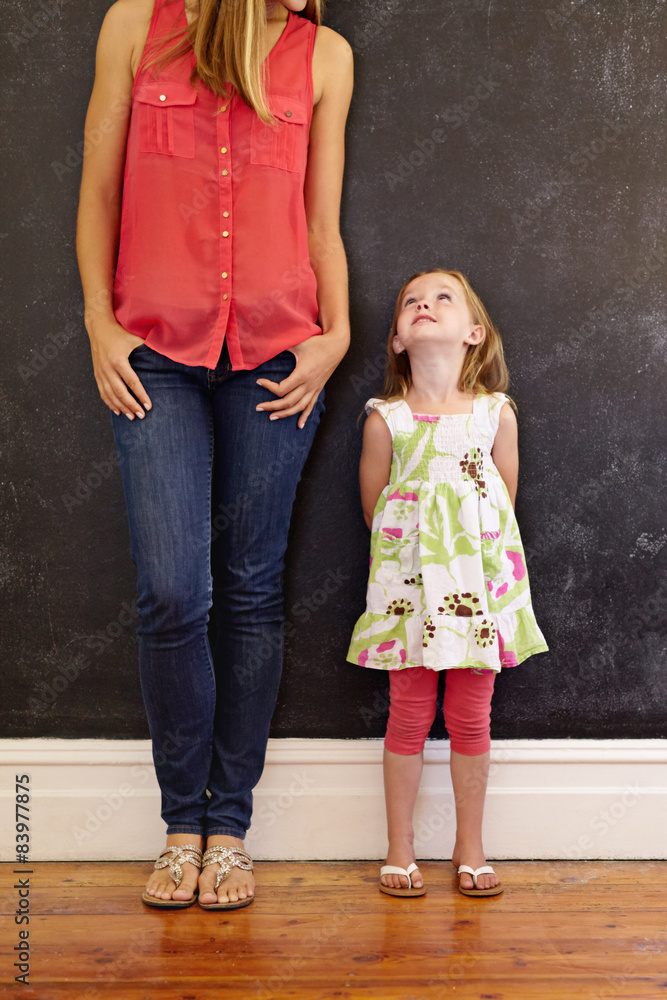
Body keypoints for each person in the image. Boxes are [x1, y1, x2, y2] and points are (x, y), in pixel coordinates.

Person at [76, 0, 353, 910]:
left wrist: (336, 335)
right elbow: (99, 190)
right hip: (154, 353)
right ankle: (177, 824)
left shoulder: (324, 56)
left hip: (277, 356)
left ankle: (226, 827)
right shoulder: (134, 25)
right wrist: (95, 324)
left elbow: (322, 218)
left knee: (251, 589)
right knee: (171, 592)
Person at [347, 269, 548, 897]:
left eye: (441, 298)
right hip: (409, 594)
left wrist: (470, 569)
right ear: (398, 340)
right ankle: (399, 847)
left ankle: (470, 846)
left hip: (477, 595)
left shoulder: (495, 415)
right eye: (411, 301)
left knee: (471, 716)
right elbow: (375, 508)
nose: (424, 306)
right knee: (407, 712)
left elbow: (503, 504)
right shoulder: (387, 420)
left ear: (473, 333)